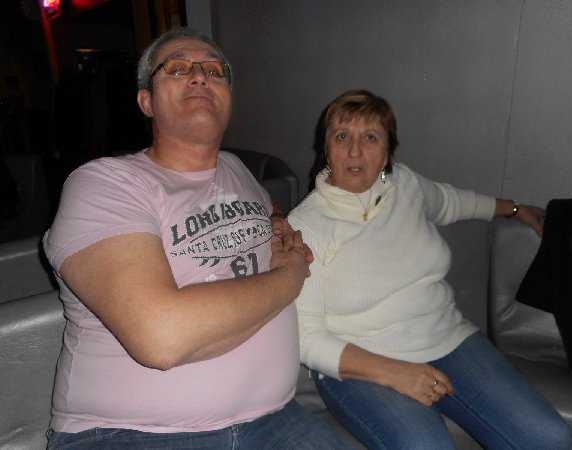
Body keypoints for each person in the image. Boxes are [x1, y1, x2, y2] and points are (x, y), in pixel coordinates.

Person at [43, 27, 353, 449]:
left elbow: (267, 212)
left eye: (213, 70)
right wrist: (291, 276)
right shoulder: (105, 183)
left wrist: (279, 222)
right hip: (133, 433)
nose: (199, 76)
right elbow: (162, 338)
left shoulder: (235, 168)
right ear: (146, 101)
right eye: (176, 69)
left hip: (274, 419)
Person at [287, 89, 572, 449]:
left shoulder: (404, 184)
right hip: (359, 363)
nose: (355, 151)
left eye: (370, 137)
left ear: (388, 152)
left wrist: (515, 209)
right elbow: (305, 338)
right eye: (342, 136)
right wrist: (396, 373)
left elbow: (452, 202)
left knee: (548, 437)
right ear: (326, 148)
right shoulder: (306, 224)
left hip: (446, 337)